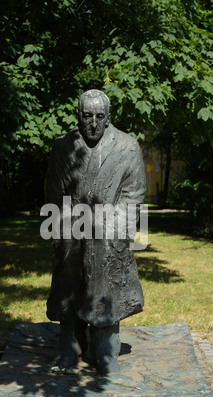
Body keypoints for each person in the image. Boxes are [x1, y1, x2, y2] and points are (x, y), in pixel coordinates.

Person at [44, 89, 146, 374]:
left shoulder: (127, 147)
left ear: (108, 117)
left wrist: (111, 227)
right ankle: (70, 344)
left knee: (105, 284)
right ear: (79, 115)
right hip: (72, 229)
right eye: (87, 116)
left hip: (109, 232)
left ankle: (105, 349)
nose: (93, 123)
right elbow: (54, 192)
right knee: (68, 285)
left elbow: (134, 194)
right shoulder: (63, 146)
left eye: (99, 117)